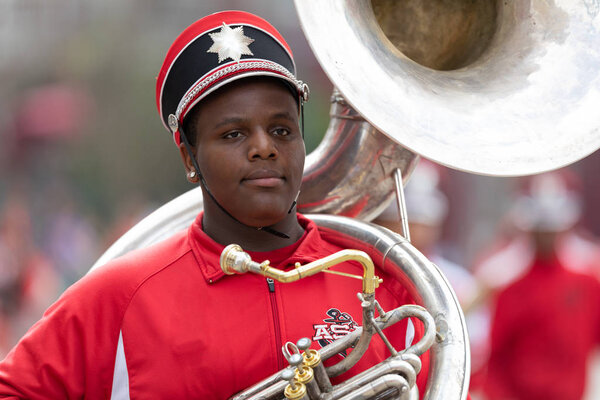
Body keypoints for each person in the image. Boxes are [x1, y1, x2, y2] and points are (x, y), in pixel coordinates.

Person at [0, 11, 430, 398]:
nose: (264, 148)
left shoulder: (379, 281)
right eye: (233, 135)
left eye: (281, 130)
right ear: (190, 158)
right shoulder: (119, 297)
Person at [480, 171, 600, 400]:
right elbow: (495, 358)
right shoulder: (508, 285)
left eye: (552, 229)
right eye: (541, 230)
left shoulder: (588, 282)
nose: (546, 236)